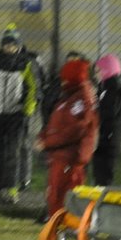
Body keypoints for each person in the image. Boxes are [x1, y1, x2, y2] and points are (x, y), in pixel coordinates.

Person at [0, 28, 37, 204]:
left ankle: (11, 189)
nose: (9, 47)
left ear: (18, 46)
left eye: (13, 45)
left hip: (16, 116)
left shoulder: (26, 64)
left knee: (12, 152)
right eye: (6, 44)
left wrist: (26, 112)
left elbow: (32, 89)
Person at [37, 58, 99, 217]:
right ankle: (59, 232)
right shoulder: (72, 95)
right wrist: (44, 135)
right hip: (61, 157)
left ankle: (69, 233)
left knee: (64, 199)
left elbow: (75, 129)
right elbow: (59, 123)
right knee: (56, 197)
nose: (62, 81)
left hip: (69, 158)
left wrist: (48, 141)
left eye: (65, 77)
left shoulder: (81, 98)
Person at [92, 54, 121, 187]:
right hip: (106, 138)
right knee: (101, 176)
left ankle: (104, 204)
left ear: (107, 70)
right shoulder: (107, 88)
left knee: (104, 177)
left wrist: (94, 109)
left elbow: (108, 113)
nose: (96, 75)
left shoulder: (113, 89)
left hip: (108, 140)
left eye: (98, 71)